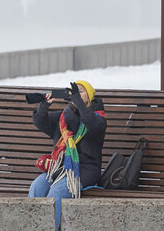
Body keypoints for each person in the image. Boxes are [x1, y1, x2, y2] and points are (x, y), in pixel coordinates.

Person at [28, 80, 106, 230]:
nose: (75, 94)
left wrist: (78, 101)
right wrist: (44, 105)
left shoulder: (98, 119)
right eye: (74, 91)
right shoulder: (63, 118)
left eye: (81, 91)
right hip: (60, 168)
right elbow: (40, 122)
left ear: (89, 97)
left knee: (57, 191)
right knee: (37, 187)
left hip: (85, 170)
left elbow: (89, 121)